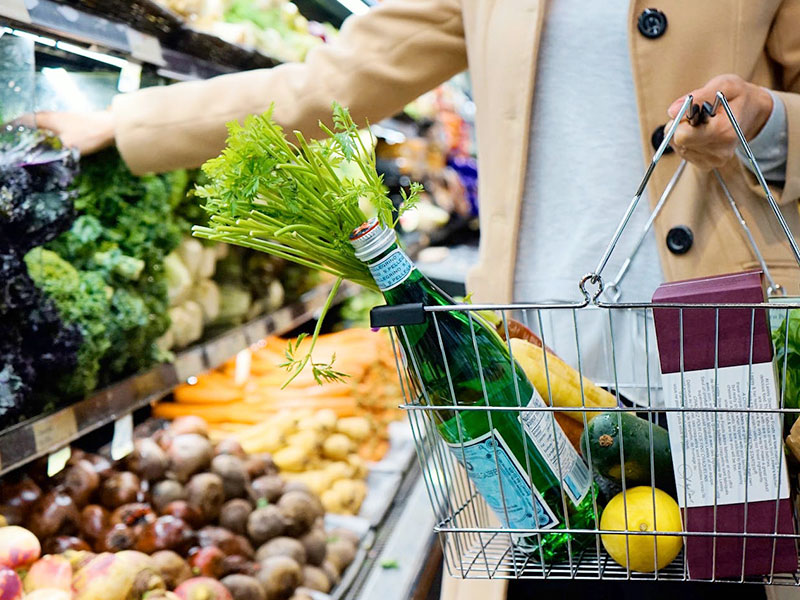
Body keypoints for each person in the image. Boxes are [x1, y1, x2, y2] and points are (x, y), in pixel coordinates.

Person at [37, 2, 800, 599]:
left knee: (730, 573)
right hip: (531, 379)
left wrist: (768, 126)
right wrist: (125, 123)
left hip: (728, 372)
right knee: (552, 568)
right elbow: (325, 85)